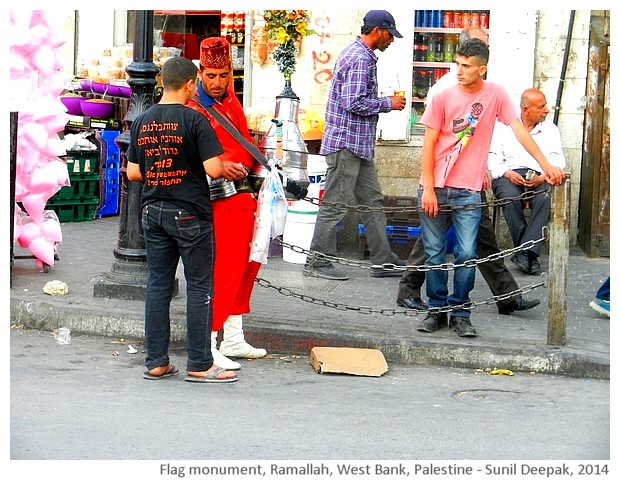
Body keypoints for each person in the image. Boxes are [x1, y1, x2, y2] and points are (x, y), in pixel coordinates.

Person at [416, 38, 565, 338]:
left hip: (469, 189)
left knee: (467, 254)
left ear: (481, 69)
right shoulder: (442, 96)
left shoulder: (496, 94)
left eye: (466, 66)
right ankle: (436, 310)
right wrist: (429, 188)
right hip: (436, 185)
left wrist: (546, 165)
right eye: (457, 64)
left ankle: (460, 312)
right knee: (433, 254)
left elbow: (519, 131)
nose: (459, 71)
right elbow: (429, 144)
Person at [397, 27, 540, 316]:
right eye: (479, 45)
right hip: (442, 179)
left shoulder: (491, 92)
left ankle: (505, 296)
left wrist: (484, 167)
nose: (482, 48)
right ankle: (411, 290)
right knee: (433, 246)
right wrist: (429, 184)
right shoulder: (444, 89)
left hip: (470, 180)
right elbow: (438, 140)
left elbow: (473, 137)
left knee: (477, 242)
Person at [126, 56, 237, 383]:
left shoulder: (142, 121)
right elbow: (215, 169)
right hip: (190, 212)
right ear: (191, 84)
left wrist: (161, 167)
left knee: (158, 285)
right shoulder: (194, 119)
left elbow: (133, 172)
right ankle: (200, 362)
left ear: (161, 82)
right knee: (200, 286)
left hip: (153, 212)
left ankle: (156, 361)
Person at [302, 10, 407, 281]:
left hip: (357, 146)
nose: (391, 41)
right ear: (377, 31)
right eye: (389, 35)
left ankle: (383, 260)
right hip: (347, 145)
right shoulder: (360, 58)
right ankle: (317, 261)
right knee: (335, 205)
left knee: (372, 201)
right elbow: (353, 103)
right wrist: (388, 103)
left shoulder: (360, 54)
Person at [187, 37, 267, 371]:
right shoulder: (193, 109)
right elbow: (190, 158)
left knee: (246, 266)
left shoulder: (232, 102)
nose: (218, 83)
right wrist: (221, 165)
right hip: (217, 200)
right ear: (200, 73)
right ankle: (208, 340)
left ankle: (233, 334)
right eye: (211, 76)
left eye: (223, 76)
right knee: (222, 269)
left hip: (244, 196)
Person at [488, 88, 567, 274]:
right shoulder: (503, 128)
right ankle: (528, 253)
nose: (546, 110)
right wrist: (507, 173)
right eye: (541, 107)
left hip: (540, 176)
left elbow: (558, 161)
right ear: (525, 110)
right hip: (510, 176)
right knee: (509, 197)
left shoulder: (550, 130)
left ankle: (524, 253)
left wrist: (542, 176)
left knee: (546, 198)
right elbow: (492, 159)